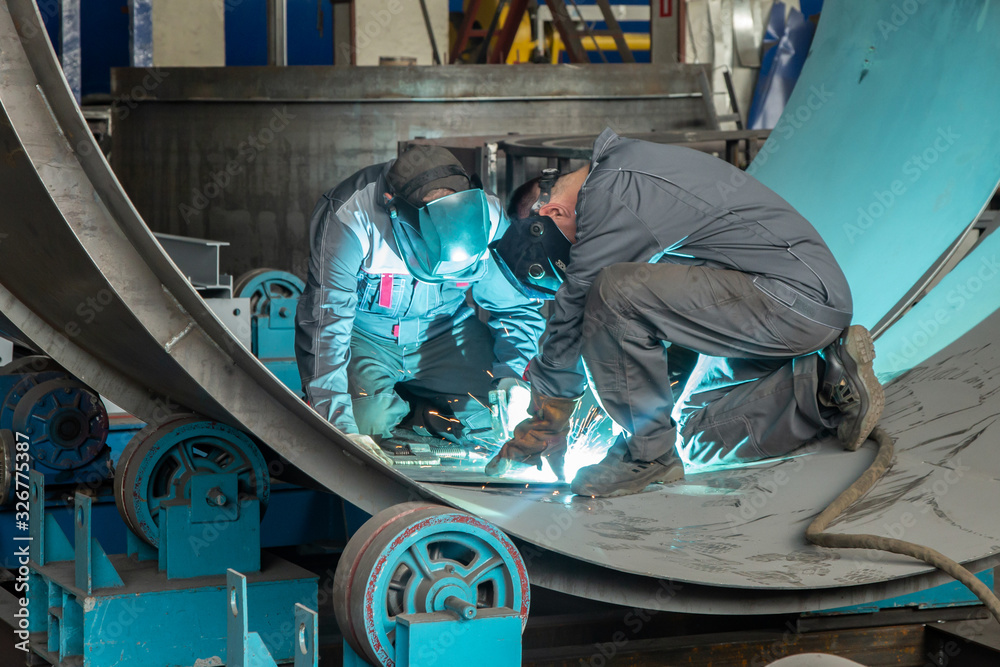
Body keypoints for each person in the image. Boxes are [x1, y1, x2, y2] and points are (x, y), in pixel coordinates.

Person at [486, 128, 884, 497]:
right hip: (765, 311)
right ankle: (824, 389)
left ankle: (648, 455)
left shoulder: (613, 191)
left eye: (569, 259)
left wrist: (548, 419)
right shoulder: (617, 180)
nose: (576, 264)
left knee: (611, 293)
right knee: (693, 432)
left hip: (794, 301)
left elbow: (576, 307)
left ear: (554, 214)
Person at [295, 145, 545, 462]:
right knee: (362, 425)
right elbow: (325, 327)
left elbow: (514, 310)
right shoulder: (350, 218)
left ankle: (423, 414)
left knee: (498, 421)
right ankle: (388, 408)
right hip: (367, 340)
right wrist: (340, 429)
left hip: (445, 335)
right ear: (393, 209)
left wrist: (513, 378)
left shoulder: (488, 219)